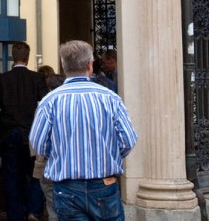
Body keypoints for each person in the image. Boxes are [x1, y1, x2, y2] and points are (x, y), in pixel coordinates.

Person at [29, 40, 137, 221]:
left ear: (64, 66)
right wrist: (109, 155)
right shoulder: (110, 98)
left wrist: (59, 154)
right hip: (104, 182)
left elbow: (38, 144)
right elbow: (128, 140)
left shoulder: (50, 101)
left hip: (67, 185)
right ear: (89, 64)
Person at [0, 41, 48, 221]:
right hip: (32, 134)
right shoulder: (37, 79)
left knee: (11, 177)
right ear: (28, 57)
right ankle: (33, 209)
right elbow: (43, 106)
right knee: (35, 174)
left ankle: (16, 216)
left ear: (12, 57)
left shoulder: (1, 79)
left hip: (9, 133)